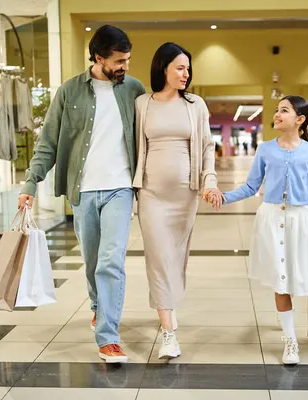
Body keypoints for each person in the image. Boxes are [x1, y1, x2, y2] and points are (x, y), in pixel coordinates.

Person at [18, 25, 146, 363]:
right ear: (99, 58)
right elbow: (48, 143)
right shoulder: (69, 92)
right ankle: (97, 307)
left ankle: (108, 337)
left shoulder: (134, 89)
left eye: (128, 60)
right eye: (119, 61)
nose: (125, 67)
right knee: (92, 263)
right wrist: (31, 183)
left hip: (120, 187)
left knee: (110, 261)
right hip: (83, 191)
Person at [219, 95, 308, 365]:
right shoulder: (265, 149)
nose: (277, 114)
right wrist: (224, 197)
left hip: (299, 221)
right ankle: (290, 339)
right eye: (277, 110)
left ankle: (285, 319)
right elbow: (251, 186)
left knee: (294, 278)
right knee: (281, 279)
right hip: (270, 218)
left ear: (300, 120)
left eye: (284, 111)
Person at [132, 42, 223, 359]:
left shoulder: (195, 105)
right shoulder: (142, 104)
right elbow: (134, 147)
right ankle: (169, 332)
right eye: (180, 68)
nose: (186, 74)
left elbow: (207, 147)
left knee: (175, 258)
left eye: (188, 68)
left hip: (185, 196)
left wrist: (209, 182)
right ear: (163, 68)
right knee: (157, 257)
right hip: (151, 195)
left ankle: (167, 305)